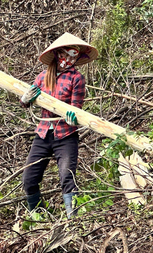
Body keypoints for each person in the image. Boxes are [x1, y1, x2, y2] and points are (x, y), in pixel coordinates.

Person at [19, 33, 98, 218]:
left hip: (66, 135)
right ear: (57, 54)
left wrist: (73, 116)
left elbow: (76, 109)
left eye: (74, 56)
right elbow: (26, 102)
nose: (69, 60)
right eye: (66, 54)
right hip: (43, 134)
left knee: (67, 177)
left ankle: (74, 221)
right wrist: (25, 98)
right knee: (29, 179)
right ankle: (39, 216)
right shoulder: (42, 77)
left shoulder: (76, 78)